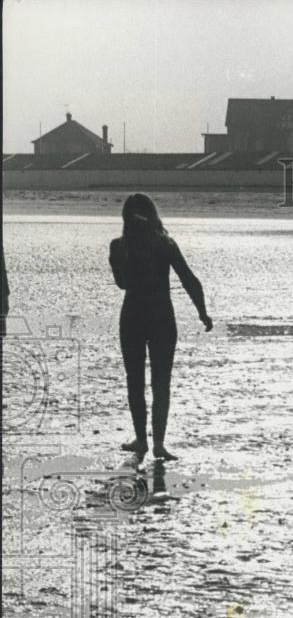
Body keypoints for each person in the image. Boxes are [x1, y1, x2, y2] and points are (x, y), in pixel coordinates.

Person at [109, 193, 212, 461]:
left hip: (132, 316)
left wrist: (124, 257)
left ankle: (142, 440)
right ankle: (158, 444)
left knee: (135, 381)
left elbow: (122, 283)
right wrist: (202, 312)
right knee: (161, 383)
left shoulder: (119, 246)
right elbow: (189, 279)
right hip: (162, 318)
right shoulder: (165, 244)